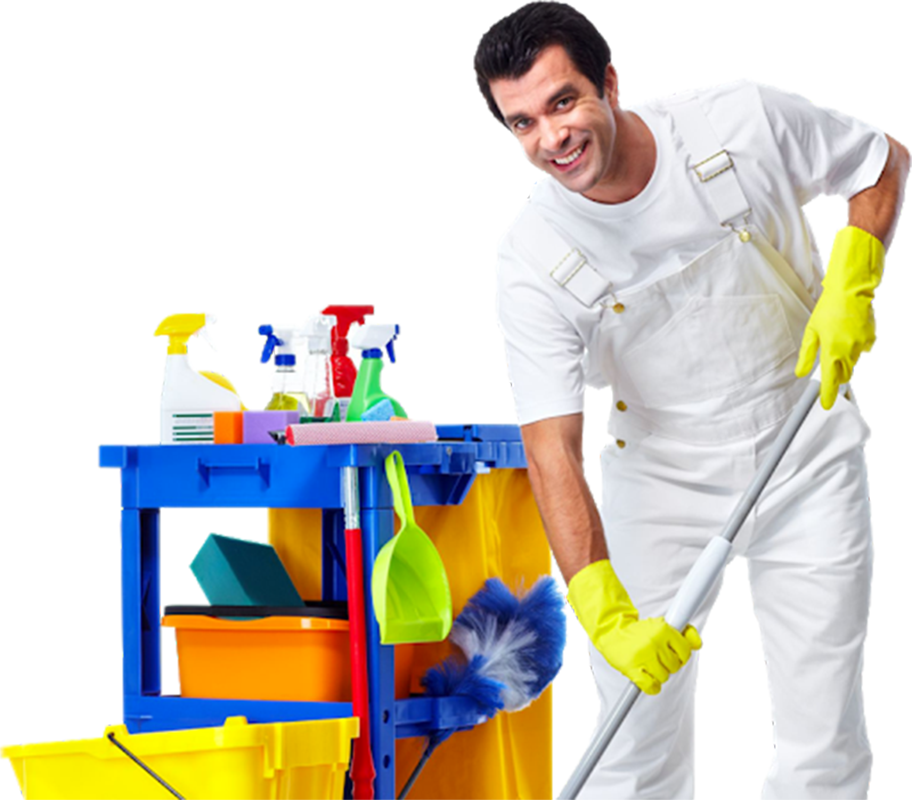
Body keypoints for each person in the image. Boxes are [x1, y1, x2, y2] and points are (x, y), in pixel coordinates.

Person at [475, 3, 909, 798]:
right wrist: (601, 607)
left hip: (802, 454)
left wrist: (854, 276)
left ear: (610, 84)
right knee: (633, 739)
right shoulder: (533, 258)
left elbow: (877, 164)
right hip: (659, 485)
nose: (551, 137)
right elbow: (551, 446)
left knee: (822, 739)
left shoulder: (736, 127)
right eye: (524, 122)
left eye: (564, 102)